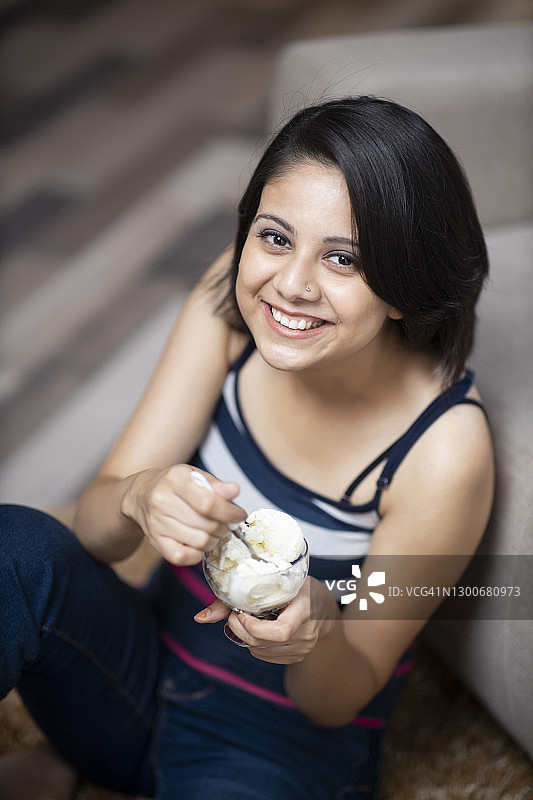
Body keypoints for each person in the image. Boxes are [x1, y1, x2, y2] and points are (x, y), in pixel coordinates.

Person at [0, 96, 494, 800]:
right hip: (135, 678)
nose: (291, 284)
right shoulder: (235, 300)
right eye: (274, 237)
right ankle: (89, 762)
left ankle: (76, 772)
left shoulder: (441, 447)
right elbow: (97, 534)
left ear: (405, 287)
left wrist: (320, 628)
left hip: (279, 752)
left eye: (343, 258)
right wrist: (138, 494)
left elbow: (337, 698)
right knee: (15, 547)